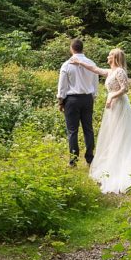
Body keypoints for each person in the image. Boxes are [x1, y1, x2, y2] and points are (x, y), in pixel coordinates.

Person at [71, 48, 131, 193]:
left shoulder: (120, 71)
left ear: (115, 58)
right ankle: (111, 164)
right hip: (112, 108)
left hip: (119, 106)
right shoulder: (111, 72)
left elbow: (125, 88)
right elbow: (94, 69)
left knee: (120, 135)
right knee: (112, 135)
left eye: (110, 55)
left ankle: (121, 165)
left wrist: (112, 97)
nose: (107, 57)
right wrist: (80, 62)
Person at [57, 38, 99, 168]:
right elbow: (95, 84)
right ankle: (90, 159)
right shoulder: (91, 63)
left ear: (71, 49)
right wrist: (93, 97)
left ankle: (73, 161)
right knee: (88, 129)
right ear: (83, 48)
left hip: (72, 100)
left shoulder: (67, 64)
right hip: (87, 98)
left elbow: (62, 86)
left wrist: (60, 101)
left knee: (72, 131)